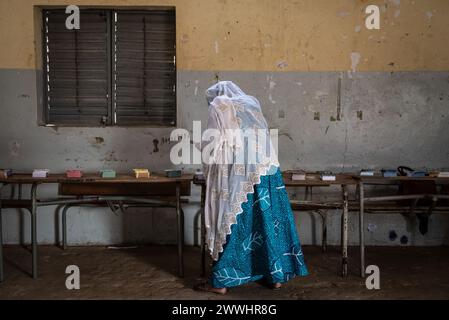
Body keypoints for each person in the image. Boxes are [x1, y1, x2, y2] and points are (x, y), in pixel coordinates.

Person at [195, 81, 308, 294]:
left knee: (234, 221)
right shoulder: (252, 103)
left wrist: (200, 148)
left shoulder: (219, 104)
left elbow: (215, 143)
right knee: (267, 222)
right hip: (268, 171)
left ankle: (220, 282)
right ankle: (274, 277)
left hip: (243, 174)